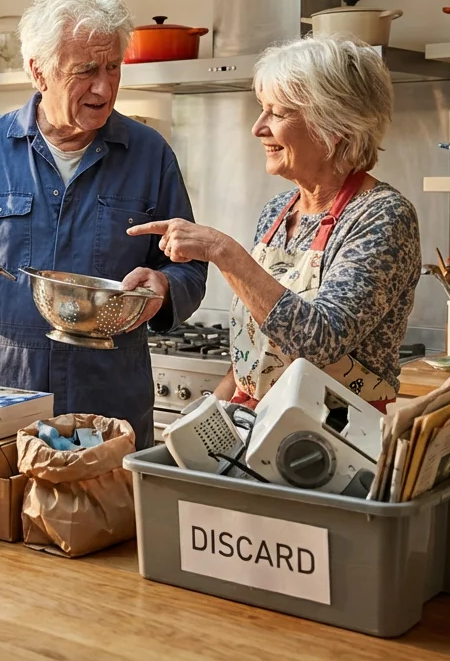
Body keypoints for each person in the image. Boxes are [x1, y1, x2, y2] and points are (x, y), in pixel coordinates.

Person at [0, 0, 208, 448]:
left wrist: (166, 287)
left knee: (111, 524)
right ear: (39, 72)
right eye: (86, 69)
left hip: (110, 407)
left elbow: (189, 267)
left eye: (113, 66)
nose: (103, 85)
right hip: (2, 396)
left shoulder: (150, 154)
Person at [128, 34, 421, 412]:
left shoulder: (381, 216)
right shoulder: (278, 212)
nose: (258, 127)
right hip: (256, 424)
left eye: (277, 112)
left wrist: (222, 251)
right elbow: (257, 353)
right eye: (261, 109)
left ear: (334, 126)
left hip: (332, 441)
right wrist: (205, 417)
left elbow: (318, 341)